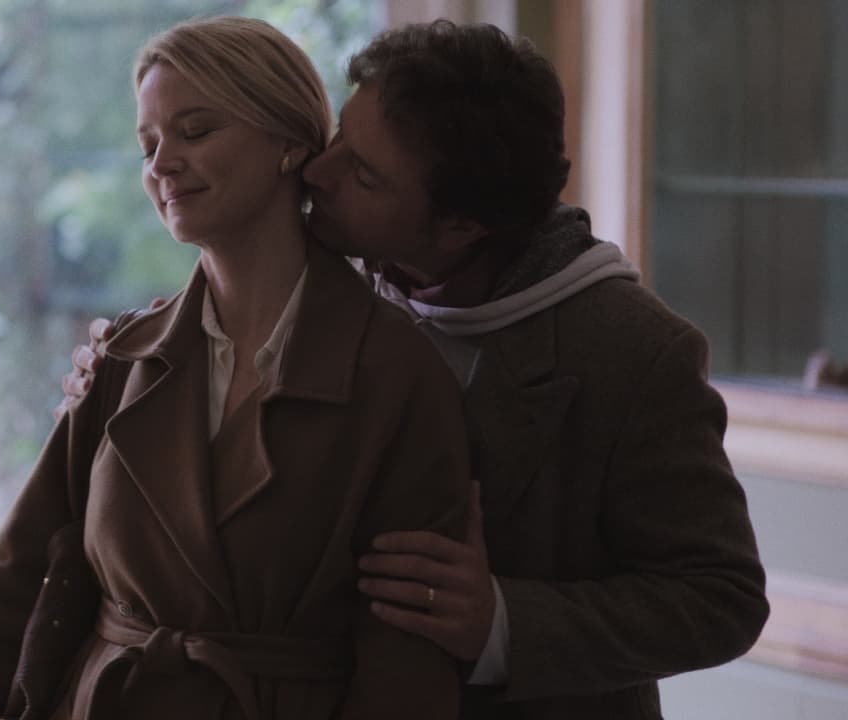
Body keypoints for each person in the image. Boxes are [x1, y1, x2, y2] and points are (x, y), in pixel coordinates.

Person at [61, 19, 769, 719]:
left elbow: (723, 597)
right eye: (341, 137)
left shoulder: (633, 351)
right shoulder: (331, 284)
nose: (318, 171)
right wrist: (130, 368)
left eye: (364, 175)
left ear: (459, 227)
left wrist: (499, 623)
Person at [0, 17, 472, 720]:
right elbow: (11, 581)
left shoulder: (397, 370)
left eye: (195, 131)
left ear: (289, 142)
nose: (162, 164)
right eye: (148, 144)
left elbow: (407, 654)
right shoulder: (120, 357)